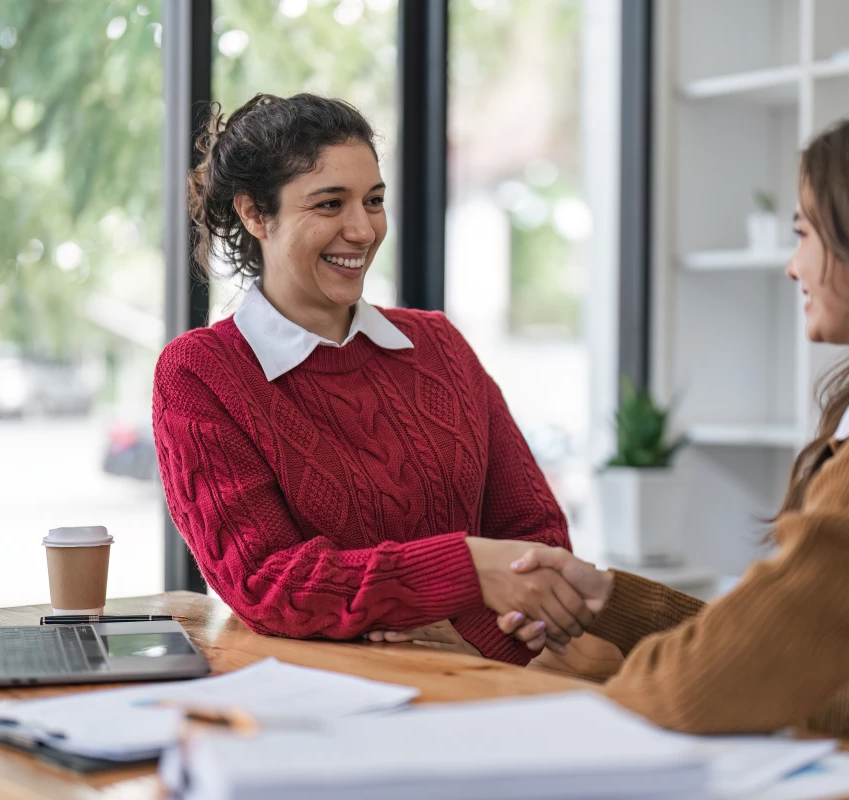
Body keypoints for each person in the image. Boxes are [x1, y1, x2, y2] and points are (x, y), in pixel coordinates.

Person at [495, 104, 849, 798]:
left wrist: (585, 712)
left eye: (803, 233)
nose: (791, 265)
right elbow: (788, 643)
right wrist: (613, 603)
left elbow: (715, 682)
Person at [152, 92, 592, 665]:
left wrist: (464, 636)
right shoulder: (200, 375)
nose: (362, 230)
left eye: (374, 200)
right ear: (256, 214)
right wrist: (466, 572)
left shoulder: (439, 345)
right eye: (330, 204)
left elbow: (538, 537)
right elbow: (269, 583)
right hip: (322, 710)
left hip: (485, 687)